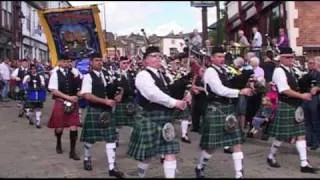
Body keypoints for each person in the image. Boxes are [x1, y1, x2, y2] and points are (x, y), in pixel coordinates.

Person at [127, 46, 187, 178]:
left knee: (170, 152)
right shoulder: (143, 75)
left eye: (159, 56)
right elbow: (152, 94)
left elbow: (171, 91)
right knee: (147, 157)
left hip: (165, 118)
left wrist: (184, 95)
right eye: (153, 56)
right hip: (150, 117)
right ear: (145, 61)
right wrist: (174, 102)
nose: (157, 58)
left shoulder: (164, 75)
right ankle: (140, 176)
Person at [195, 47, 253, 178]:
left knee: (236, 143)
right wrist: (239, 92)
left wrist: (247, 77)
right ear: (212, 59)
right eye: (218, 57)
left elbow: (231, 84)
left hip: (228, 108)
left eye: (223, 57)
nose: (221, 59)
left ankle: (239, 174)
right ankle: (200, 166)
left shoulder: (225, 70)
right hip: (216, 108)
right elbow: (219, 90)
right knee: (212, 147)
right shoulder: (210, 71)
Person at [266, 47, 318, 173]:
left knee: (301, 134)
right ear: (281, 58)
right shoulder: (279, 71)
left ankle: (304, 163)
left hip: (296, 105)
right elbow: (284, 90)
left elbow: (304, 80)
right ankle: (271, 156)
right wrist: (302, 96)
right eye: (287, 57)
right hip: (286, 105)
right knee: (282, 135)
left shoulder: (293, 70)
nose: (291, 59)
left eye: (292, 57)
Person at [80, 56, 124, 178]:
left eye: (100, 60)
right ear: (91, 63)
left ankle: (112, 167)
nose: (99, 62)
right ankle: (87, 157)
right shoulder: (88, 77)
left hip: (108, 110)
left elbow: (118, 87)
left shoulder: (107, 74)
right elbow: (87, 95)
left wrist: (119, 95)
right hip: (95, 109)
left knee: (111, 138)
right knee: (90, 138)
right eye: (96, 60)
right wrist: (104, 101)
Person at [47, 56, 82, 160]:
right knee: (59, 128)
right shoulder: (55, 74)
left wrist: (79, 94)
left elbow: (79, 87)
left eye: (68, 61)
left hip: (73, 103)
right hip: (61, 102)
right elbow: (53, 90)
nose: (66, 63)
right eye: (64, 61)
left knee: (74, 126)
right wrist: (68, 97)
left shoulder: (74, 73)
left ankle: (72, 151)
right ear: (59, 62)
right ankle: (58, 142)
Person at [299, 57, 320, 150]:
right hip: (306, 98)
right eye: (309, 63)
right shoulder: (306, 74)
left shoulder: (318, 74)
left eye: (312, 63)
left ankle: (316, 142)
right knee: (307, 121)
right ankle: (309, 140)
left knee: (315, 120)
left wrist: (317, 88)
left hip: (315, 99)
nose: (310, 65)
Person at [22, 64, 46, 128]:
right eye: (32, 69)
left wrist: (42, 86)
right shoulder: (27, 76)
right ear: (30, 70)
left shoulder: (40, 76)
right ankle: (30, 117)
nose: (33, 70)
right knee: (31, 109)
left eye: (34, 69)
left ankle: (38, 122)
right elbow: (23, 83)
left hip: (38, 94)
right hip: (31, 94)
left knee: (38, 108)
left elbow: (43, 84)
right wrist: (27, 81)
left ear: (36, 69)